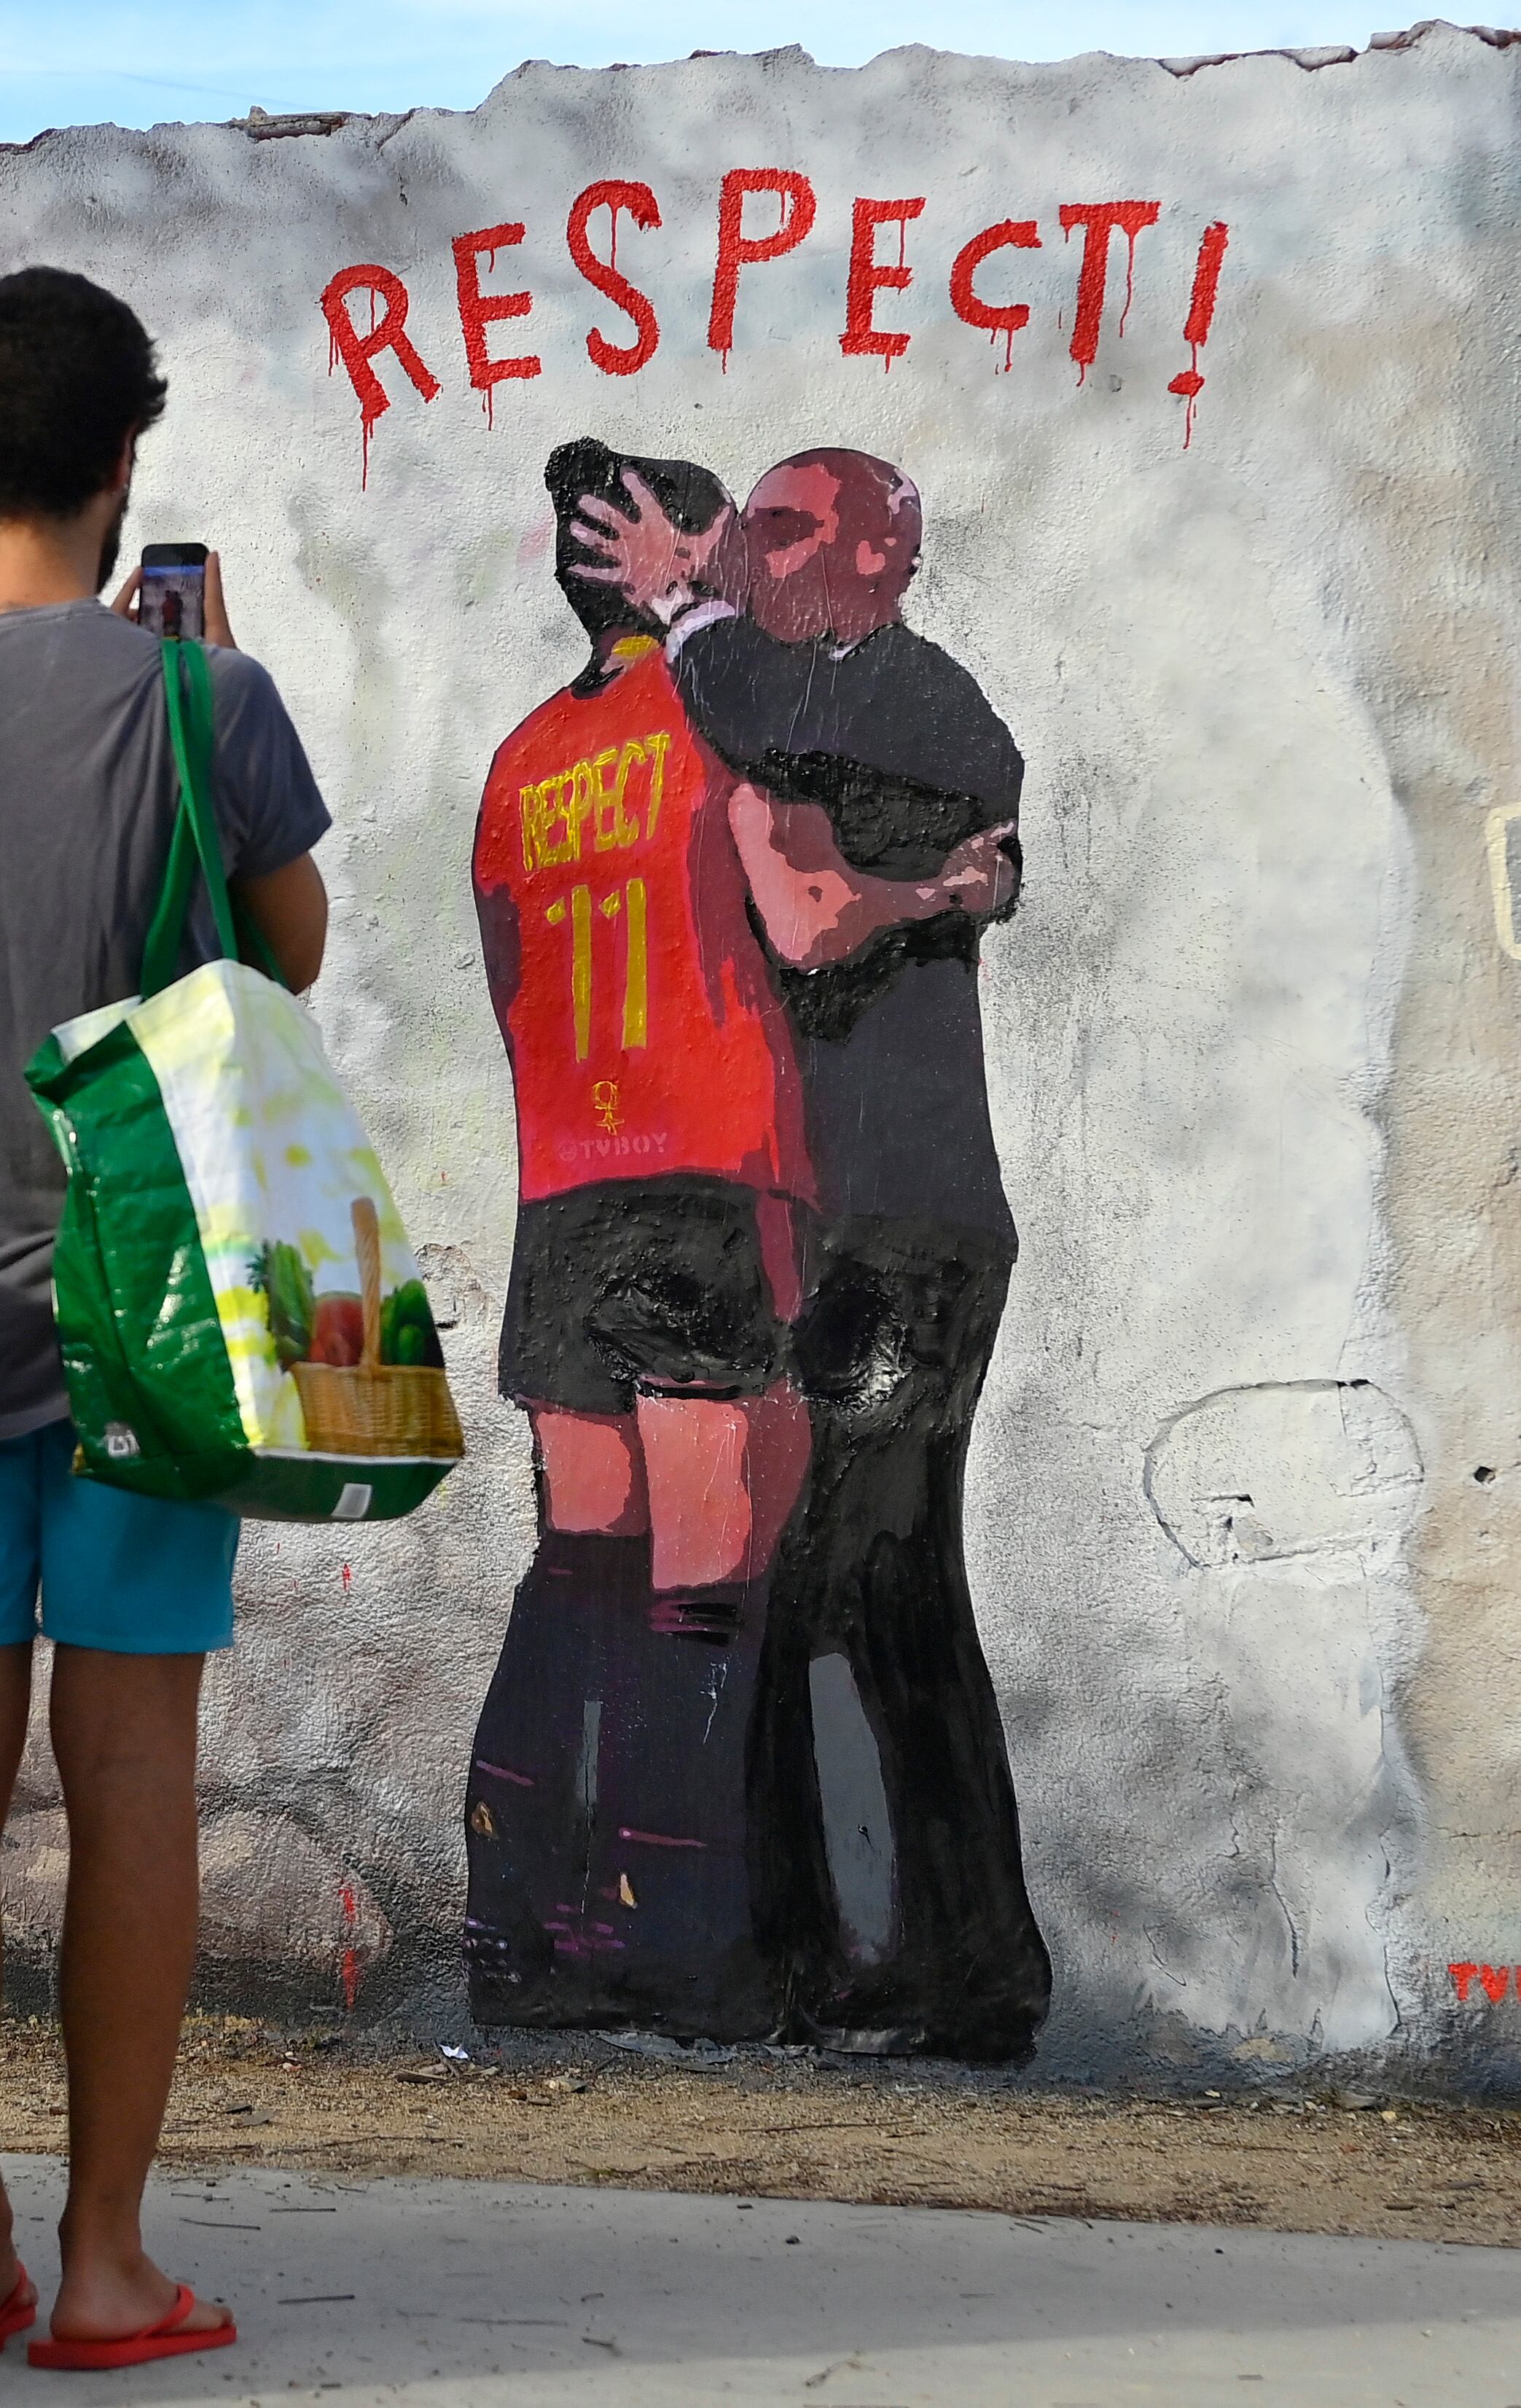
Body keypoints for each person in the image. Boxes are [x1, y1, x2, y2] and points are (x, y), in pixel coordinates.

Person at [0, 266, 331, 2369]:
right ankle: (109, 2268)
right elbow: (278, 959)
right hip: (154, 1314)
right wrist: (184, 713)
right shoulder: (206, 699)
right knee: (130, 1771)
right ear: (130, 462)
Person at [573, 448, 1047, 2059]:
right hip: (796, 1217)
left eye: (781, 531)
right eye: (743, 532)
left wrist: (684, 610)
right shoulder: (775, 687)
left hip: (906, 1226)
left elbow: (813, 890)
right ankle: (816, 1960)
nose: (751, 558)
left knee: (880, 1581)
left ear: (883, 550)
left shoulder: (926, 706)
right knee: (793, 1581)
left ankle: (960, 1970)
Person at [463, 441, 818, 2040]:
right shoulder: (724, 712)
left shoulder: (521, 754)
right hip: (706, 1168)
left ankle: (518, 1927)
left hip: (566, 1190)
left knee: (578, 1573)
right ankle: (676, 1942)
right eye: (721, 536)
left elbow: (505, 981)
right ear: (663, 553)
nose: (744, 562)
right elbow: (803, 922)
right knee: (705, 1588)